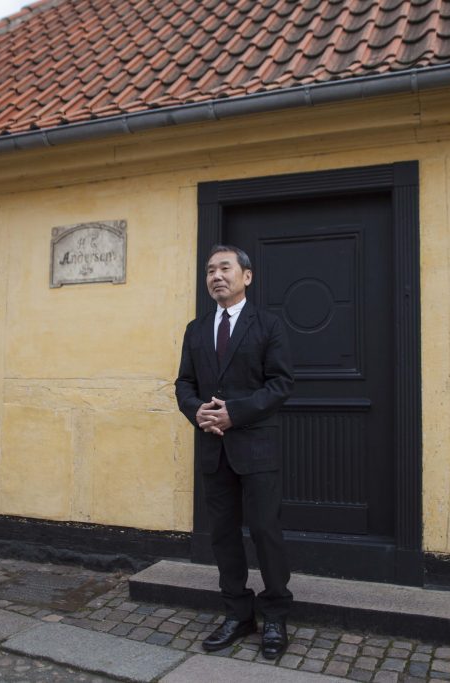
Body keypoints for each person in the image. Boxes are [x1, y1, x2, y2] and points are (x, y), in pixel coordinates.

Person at [174, 244, 295, 659]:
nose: (216, 276)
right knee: (223, 535)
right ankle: (238, 614)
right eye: (210, 270)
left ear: (247, 276)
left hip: (256, 446)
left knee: (265, 531)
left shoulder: (269, 324)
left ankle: (275, 615)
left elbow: (281, 383)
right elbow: (183, 384)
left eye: (224, 268)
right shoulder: (196, 328)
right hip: (213, 447)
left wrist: (235, 413)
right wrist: (198, 412)